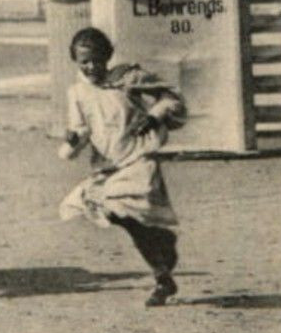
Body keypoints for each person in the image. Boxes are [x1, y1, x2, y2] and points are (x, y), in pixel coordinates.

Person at [58, 26, 186, 307]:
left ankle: (162, 277)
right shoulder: (77, 93)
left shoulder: (128, 77)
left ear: (108, 57)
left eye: (97, 60)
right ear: (76, 62)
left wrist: (153, 117)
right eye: (84, 62)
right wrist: (73, 139)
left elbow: (172, 98)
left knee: (125, 210)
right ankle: (163, 246)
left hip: (141, 155)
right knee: (120, 215)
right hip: (108, 164)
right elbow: (80, 130)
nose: (92, 67)